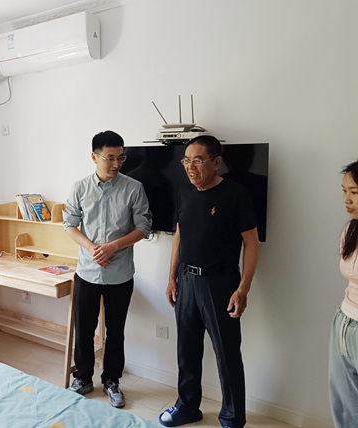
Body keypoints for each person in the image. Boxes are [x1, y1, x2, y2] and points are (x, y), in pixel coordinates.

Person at [160, 135, 259, 428]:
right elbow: (179, 236)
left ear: (216, 162)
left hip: (220, 284)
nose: (190, 167)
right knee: (186, 350)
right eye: (186, 160)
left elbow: (251, 242)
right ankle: (187, 406)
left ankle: (232, 417)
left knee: (227, 354)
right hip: (186, 280)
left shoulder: (236, 194)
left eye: (198, 160)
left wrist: (243, 289)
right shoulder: (184, 193)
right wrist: (171, 278)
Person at [63, 130, 152, 408]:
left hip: (120, 273)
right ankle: (83, 378)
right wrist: (92, 248)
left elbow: (144, 227)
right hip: (87, 272)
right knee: (83, 330)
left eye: (120, 158)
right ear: (94, 156)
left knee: (116, 331)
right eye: (110, 158)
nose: (116, 164)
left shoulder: (134, 188)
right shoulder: (80, 187)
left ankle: (112, 380)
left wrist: (113, 246)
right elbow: (69, 225)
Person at [329, 159, 358, 428]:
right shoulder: (351, 230)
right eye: (344, 191)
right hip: (344, 321)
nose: (347, 200)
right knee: (345, 405)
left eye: (354, 192)